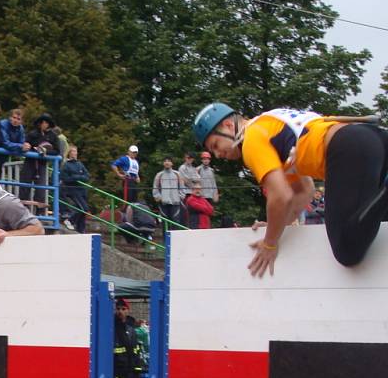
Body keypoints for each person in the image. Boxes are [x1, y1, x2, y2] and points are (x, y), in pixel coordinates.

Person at [194, 102, 388, 275]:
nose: (218, 155)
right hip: (371, 138)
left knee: (347, 249)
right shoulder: (269, 126)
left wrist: (270, 243)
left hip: (348, 147)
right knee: (369, 220)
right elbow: (304, 192)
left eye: (215, 145)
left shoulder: (251, 140)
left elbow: (280, 196)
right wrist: (275, 226)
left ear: (228, 125)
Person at [19, 113, 60, 210]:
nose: (44, 124)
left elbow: (57, 151)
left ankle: (40, 213)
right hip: (29, 162)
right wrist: (29, 148)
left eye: (46, 122)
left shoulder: (53, 136)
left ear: (49, 124)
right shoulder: (32, 134)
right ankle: (23, 211)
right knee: (25, 187)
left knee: (40, 190)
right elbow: (25, 145)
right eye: (42, 122)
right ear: (39, 123)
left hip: (42, 164)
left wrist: (46, 151)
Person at [61, 145, 90, 233]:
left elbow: (87, 176)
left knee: (83, 210)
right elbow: (66, 178)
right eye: (72, 151)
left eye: (75, 151)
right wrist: (78, 177)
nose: (74, 153)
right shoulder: (66, 165)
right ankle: (70, 220)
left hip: (82, 190)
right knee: (83, 208)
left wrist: (76, 177)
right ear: (69, 153)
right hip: (73, 190)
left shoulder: (80, 164)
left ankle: (81, 230)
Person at [152, 157, 185, 227]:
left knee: (175, 223)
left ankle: (176, 238)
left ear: (172, 163)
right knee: (165, 224)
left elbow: (182, 187)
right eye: (165, 161)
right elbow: (155, 188)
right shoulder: (159, 175)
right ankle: (165, 238)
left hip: (175, 203)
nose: (167, 163)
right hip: (163, 203)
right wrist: (159, 198)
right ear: (163, 163)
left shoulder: (177, 174)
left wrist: (180, 197)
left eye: (169, 161)